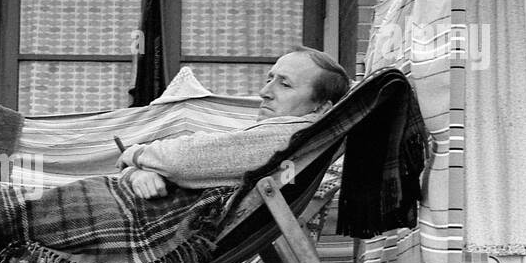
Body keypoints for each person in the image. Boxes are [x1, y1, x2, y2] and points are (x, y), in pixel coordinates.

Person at [118, 47, 351, 200]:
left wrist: (136, 153)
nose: (264, 92)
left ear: (321, 108)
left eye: (285, 84)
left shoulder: (292, 137)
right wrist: (137, 174)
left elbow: (181, 161)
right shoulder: (283, 146)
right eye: (270, 79)